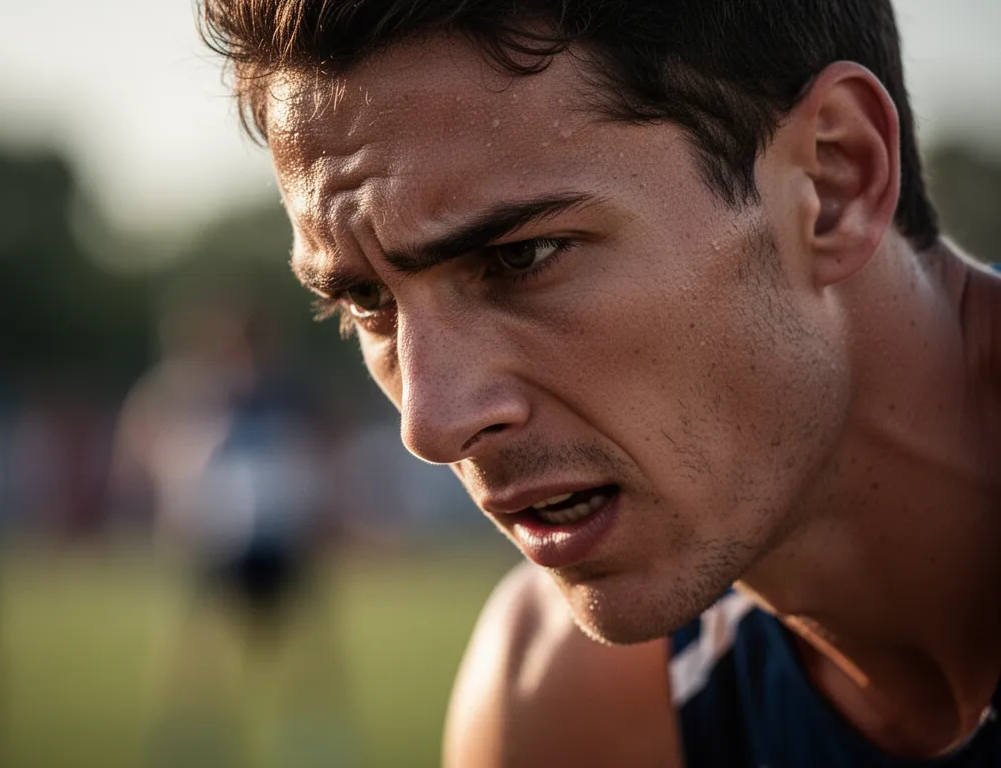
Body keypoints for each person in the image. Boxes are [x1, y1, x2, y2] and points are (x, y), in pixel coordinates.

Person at [198, 1, 1001, 765]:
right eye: (368, 303)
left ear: (834, 180)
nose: (432, 423)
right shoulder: (563, 703)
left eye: (523, 258)